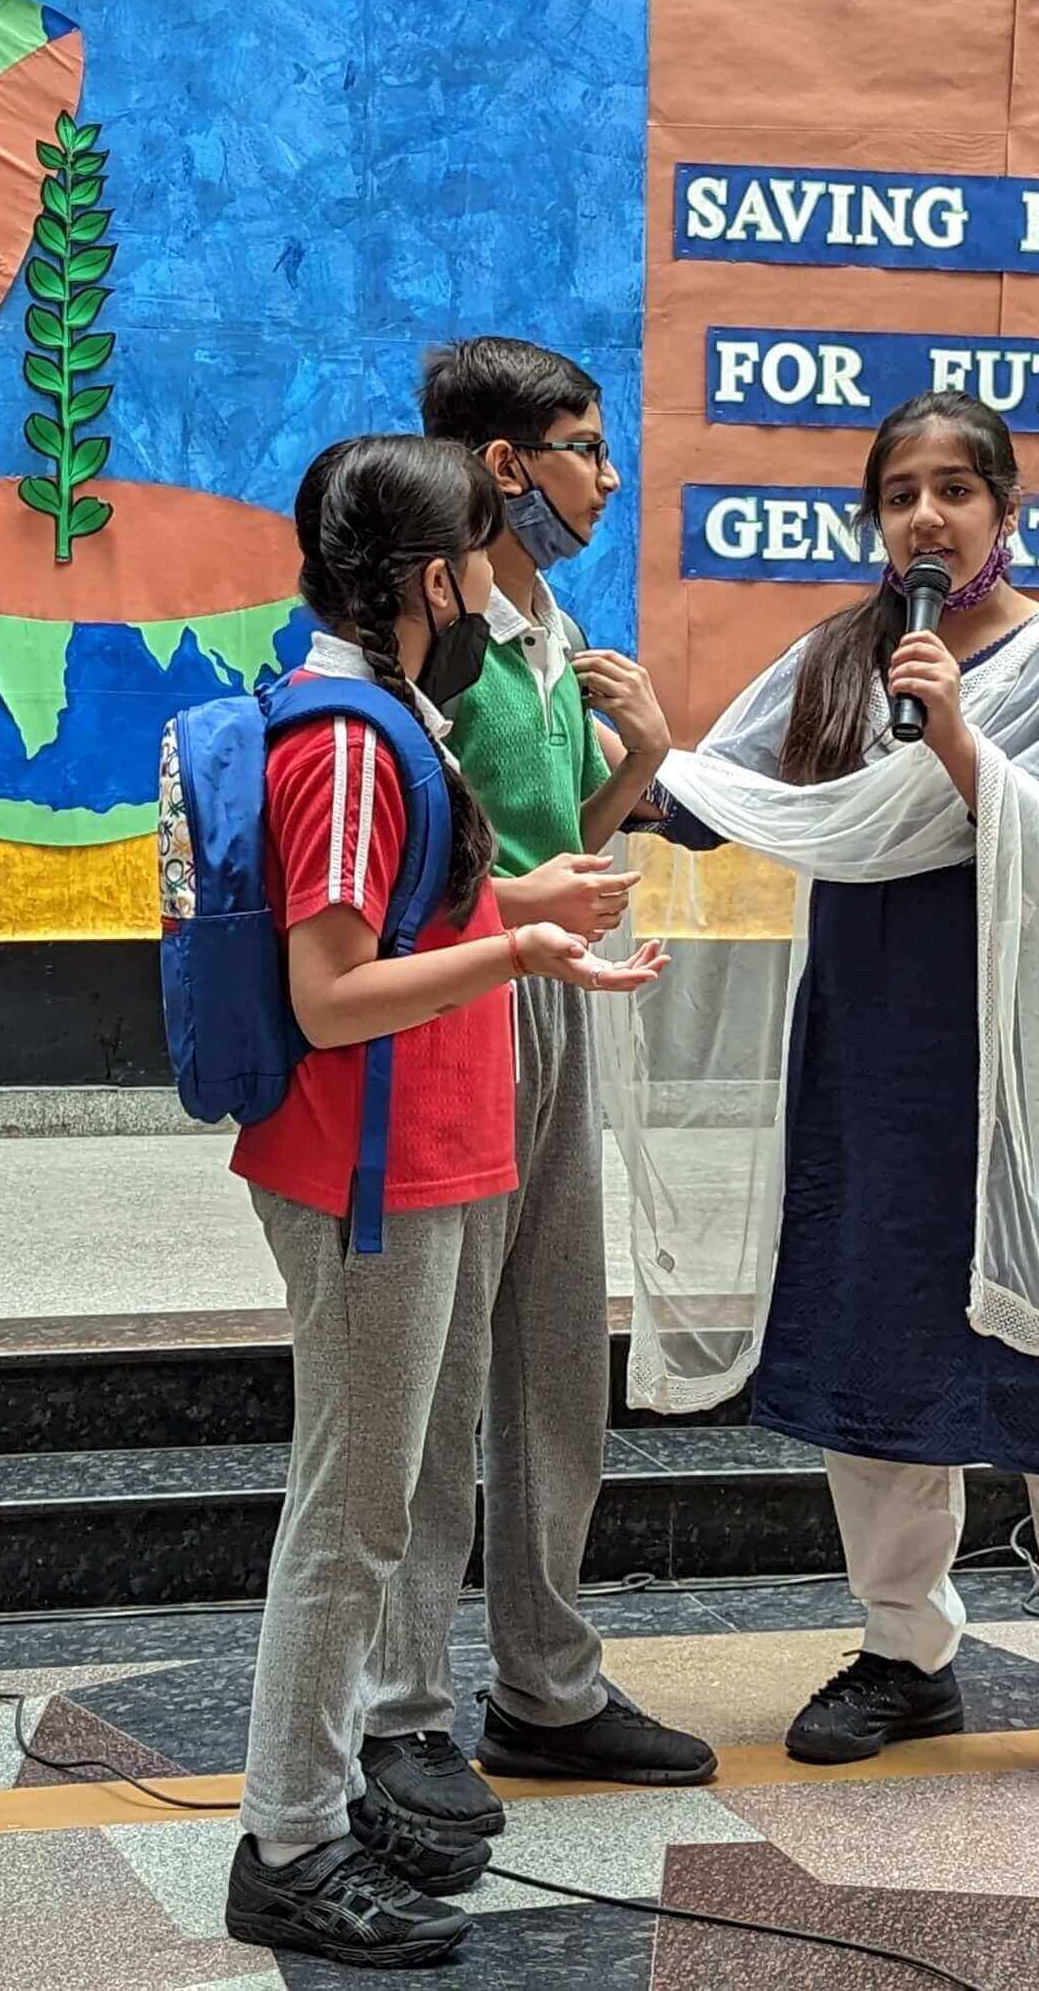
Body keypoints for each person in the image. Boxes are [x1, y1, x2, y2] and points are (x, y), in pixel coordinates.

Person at [634, 391, 1039, 1818]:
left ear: (1009, 511)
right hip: (873, 1058)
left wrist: (957, 736)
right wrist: (647, 750)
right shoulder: (840, 656)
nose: (926, 517)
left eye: (956, 490)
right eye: (900, 494)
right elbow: (719, 801)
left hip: (1026, 1066)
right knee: (875, 1354)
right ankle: (906, 1651)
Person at [223, 435, 669, 1970]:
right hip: (371, 1173)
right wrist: (518, 952)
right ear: (433, 581)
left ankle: (328, 1798)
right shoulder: (350, 741)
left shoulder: (398, 710)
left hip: (424, 1156)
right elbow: (333, 992)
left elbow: (419, 909)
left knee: (370, 1503)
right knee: (351, 1520)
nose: (494, 580)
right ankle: (288, 1843)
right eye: (480, 556)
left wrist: (522, 903)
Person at [343, 340, 717, 1854]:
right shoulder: (426, 645)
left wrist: (642, 761)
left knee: (558, 1354)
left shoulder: (553, 630)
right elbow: (403, 880)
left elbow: (566, 847)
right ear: (504, 467)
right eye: (583, 449)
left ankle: (547, 1685)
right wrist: (523, 909)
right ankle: (400, 1707)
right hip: (452, 1012)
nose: (607, 479)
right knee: (435, 1380)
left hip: (551, 1003)